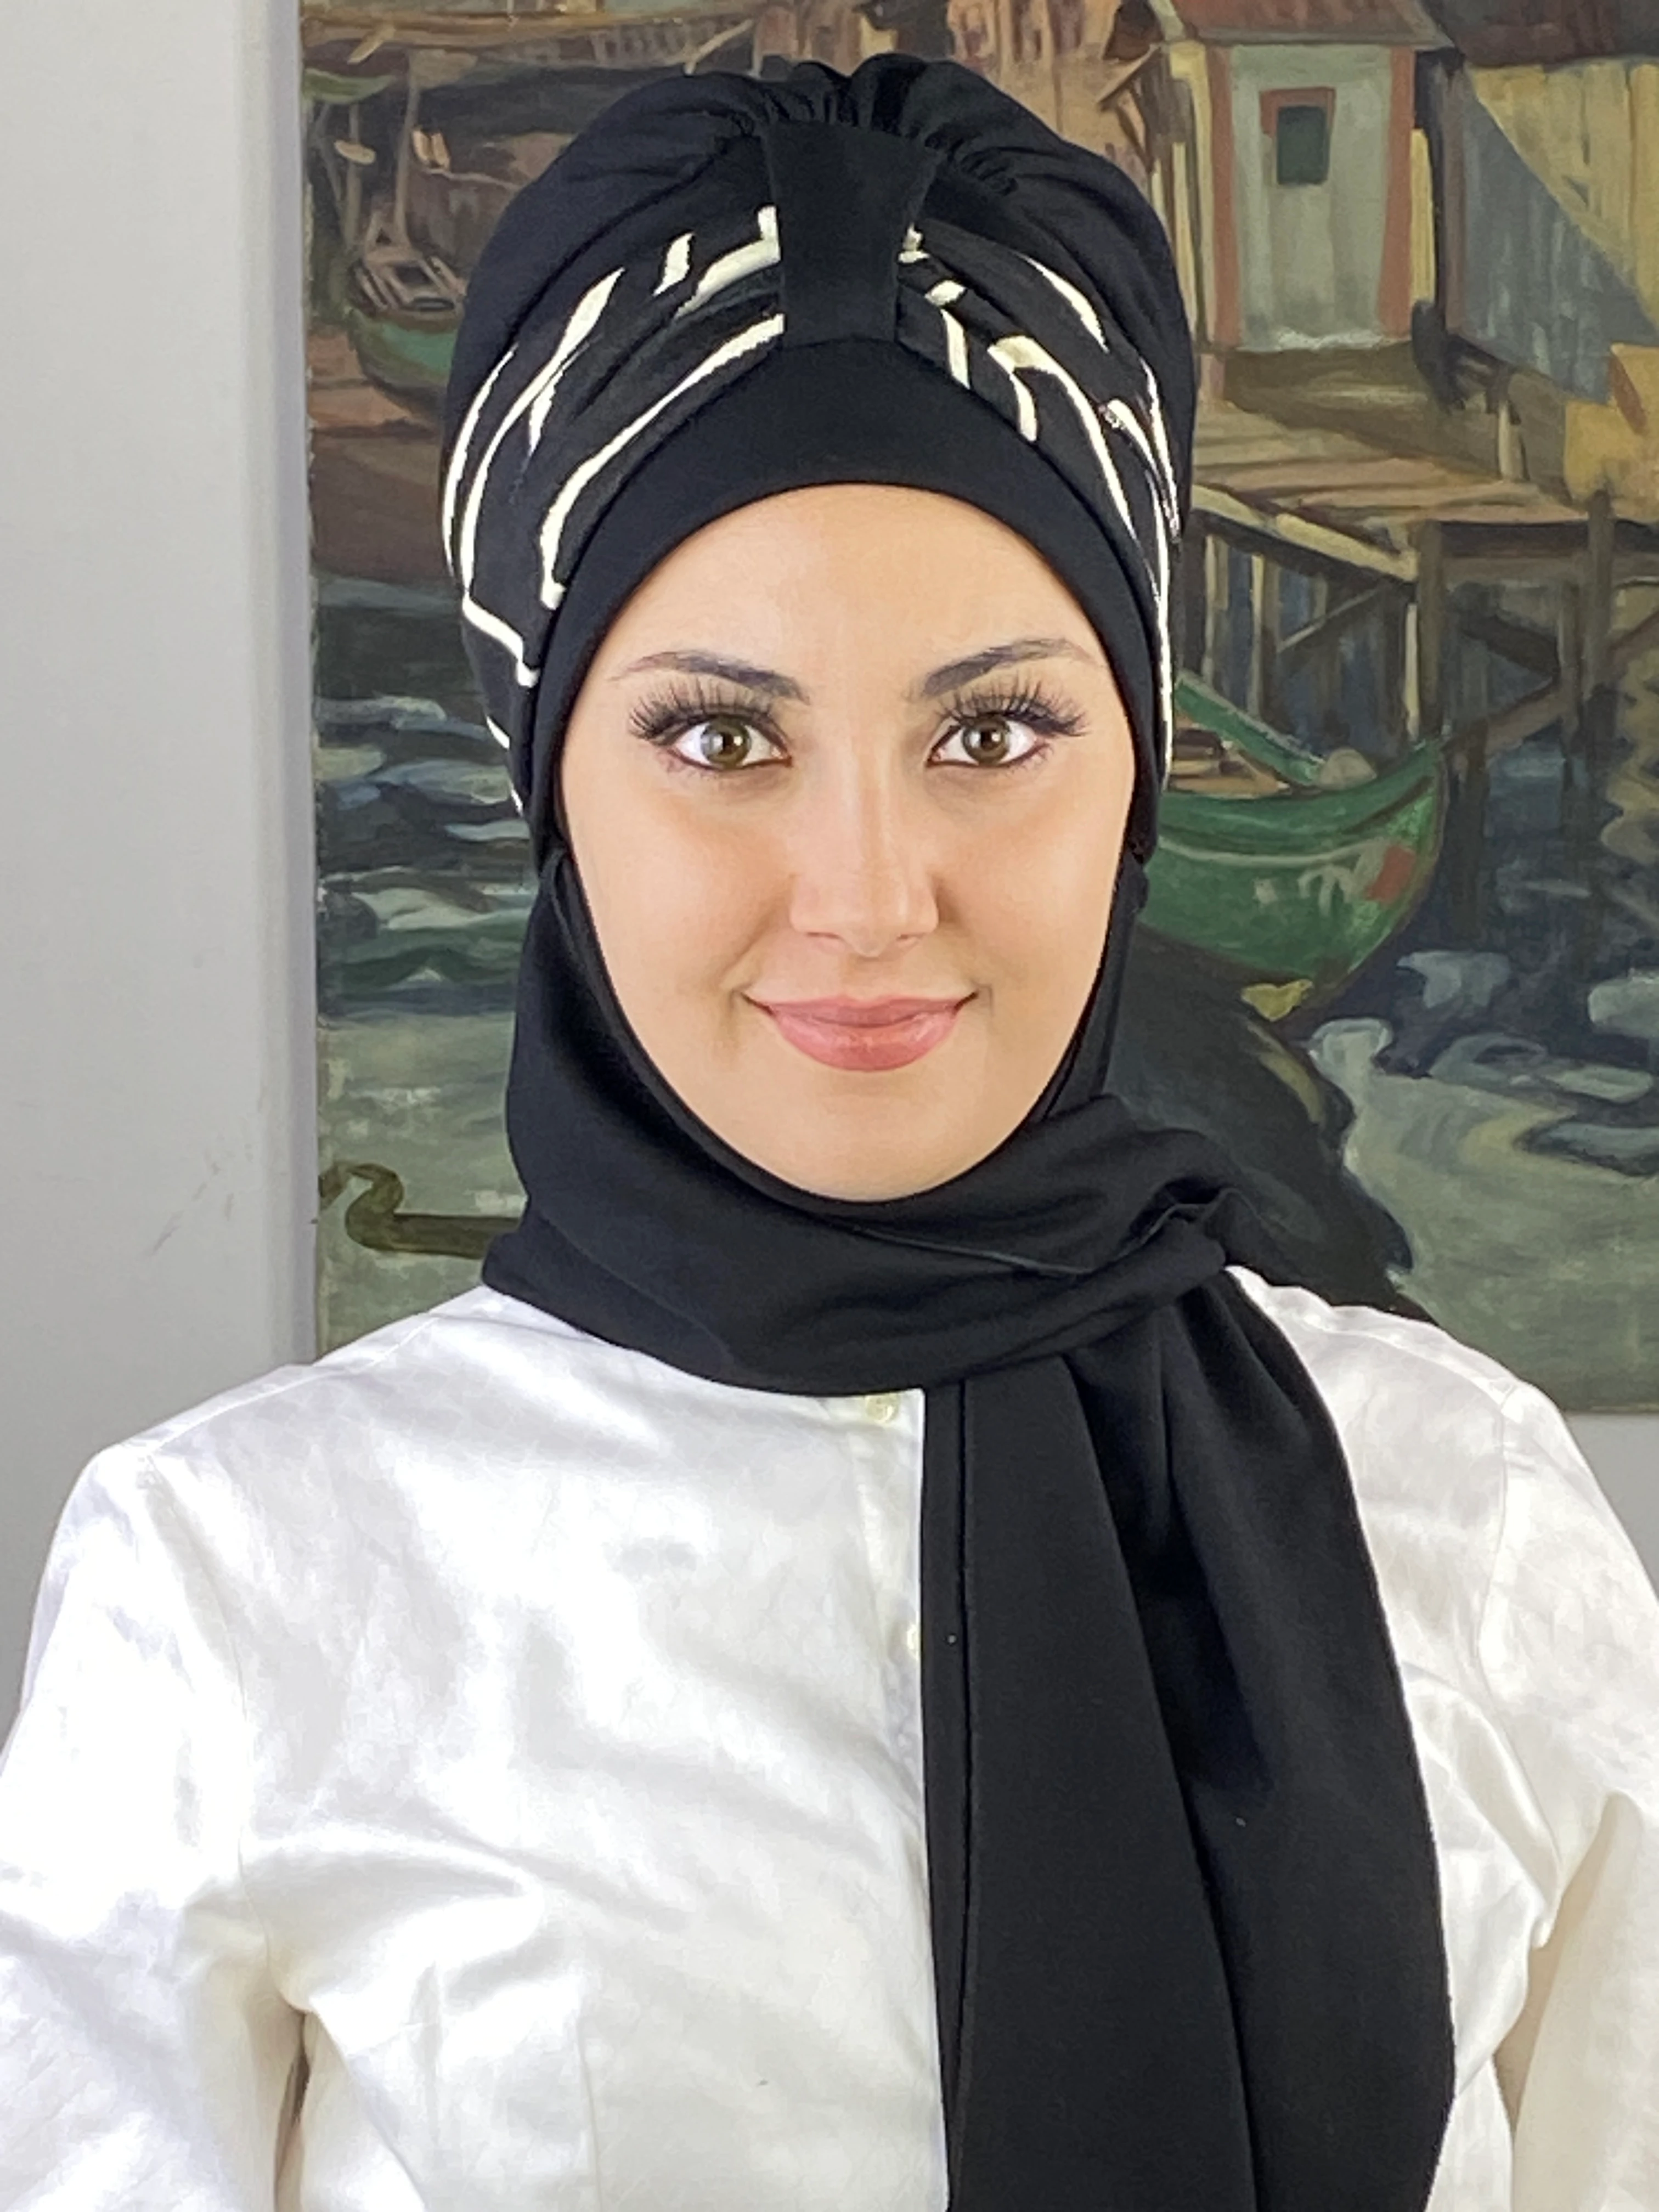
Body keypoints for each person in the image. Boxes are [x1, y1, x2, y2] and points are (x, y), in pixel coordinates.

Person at [2, 53, 1657, 2212]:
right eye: (719, 737)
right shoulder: (238, 1589)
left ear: (1135, 773)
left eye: (994, 731)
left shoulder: (1474, 1519)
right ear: (552, 782)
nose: (869, 897)